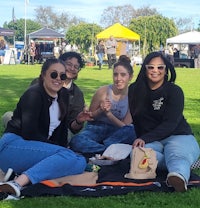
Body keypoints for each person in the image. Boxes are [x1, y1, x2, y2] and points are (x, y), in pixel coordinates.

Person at [0, 58, 87, 199]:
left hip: (34, 148)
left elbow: (61, 130)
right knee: (68, 157)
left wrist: (62, 148)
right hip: (12, 146)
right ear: (43, 75)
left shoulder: (63, 95)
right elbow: (30, 133)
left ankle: (17, 174)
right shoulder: (34, 94)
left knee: (80, 161)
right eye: (53, 74)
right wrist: (60, 151)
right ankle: (17, 183)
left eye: (62, 76)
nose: (58, 79)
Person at [128, 51, 200, 192]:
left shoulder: (174, 91)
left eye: (160, 67)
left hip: (178, 136)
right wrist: (140, 141)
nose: (155, 71)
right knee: (136, 155)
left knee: (175, 153)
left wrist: (144, 138)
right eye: (151, 67)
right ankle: (185, 162)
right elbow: (136, 118)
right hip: (153, 140)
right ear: (145, 68)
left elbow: (170, 124)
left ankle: (178, 176)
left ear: (166, 71)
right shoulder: (134, 90)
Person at [2, 52, 90, 142]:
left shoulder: (76, 94)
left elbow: (72, 127)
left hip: (59, 131)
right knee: (8, 116)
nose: (72, 68)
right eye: (69, 64)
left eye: (76, 67)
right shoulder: (37, 86)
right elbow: (29, 113)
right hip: (35, 125)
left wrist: (79, 121)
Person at [70, 55, 137, 157]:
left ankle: (99, 149)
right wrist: (100, 110)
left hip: (116, 132)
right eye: (115, 75)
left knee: (132, 131)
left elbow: (125, 126)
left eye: (123, 75)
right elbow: (90, 117)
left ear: (130, 77)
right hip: (96, 128)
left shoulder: (133, 96)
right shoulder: (103, 91)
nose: (118, 79)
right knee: (76, 140)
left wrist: (109, 114)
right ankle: (107, 150)